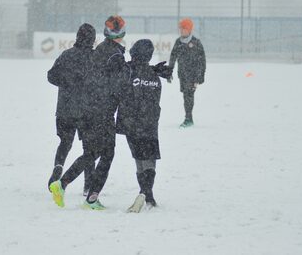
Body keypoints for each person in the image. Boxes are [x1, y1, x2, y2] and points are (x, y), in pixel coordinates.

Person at [50, 15, 127, 210]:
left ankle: (63, 183)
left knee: (91, 152)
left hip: (87, 109)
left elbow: (91, 78)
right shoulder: (115, 55)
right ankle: (91, 197)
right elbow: (120, 83)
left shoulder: (99, 51)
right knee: (106, 154)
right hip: (103, 111)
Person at [116, 39, 172, 212]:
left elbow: (119, 90)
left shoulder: (128, 71)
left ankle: (146, 194)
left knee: (139, 160)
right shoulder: (155, 76)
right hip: (149, 123)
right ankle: (147, 194)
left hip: (131, 123)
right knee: (149, 161)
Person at [47, 23, 96, 195]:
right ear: (93, 39)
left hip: (65, 109)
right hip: (87, 111)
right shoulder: (95, 57)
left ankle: (58, 167)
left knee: (65, 142)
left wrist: (67, 82)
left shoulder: (66, 55)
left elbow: (51, 76)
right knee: (89, 149)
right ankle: (88, 185)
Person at [168, 18, 206, 127]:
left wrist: (200, 76)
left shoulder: (196, 43)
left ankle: (188, 118)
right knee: (185, 95)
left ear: (189, 30)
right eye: (181, 29)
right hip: (182, 74)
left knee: (189, 95)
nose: (182, 31)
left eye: (184, 29)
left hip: (193, 75)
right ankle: (188, 117)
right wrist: (169, 72)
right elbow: (173, 57)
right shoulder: (178, 42)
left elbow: (202, 61)